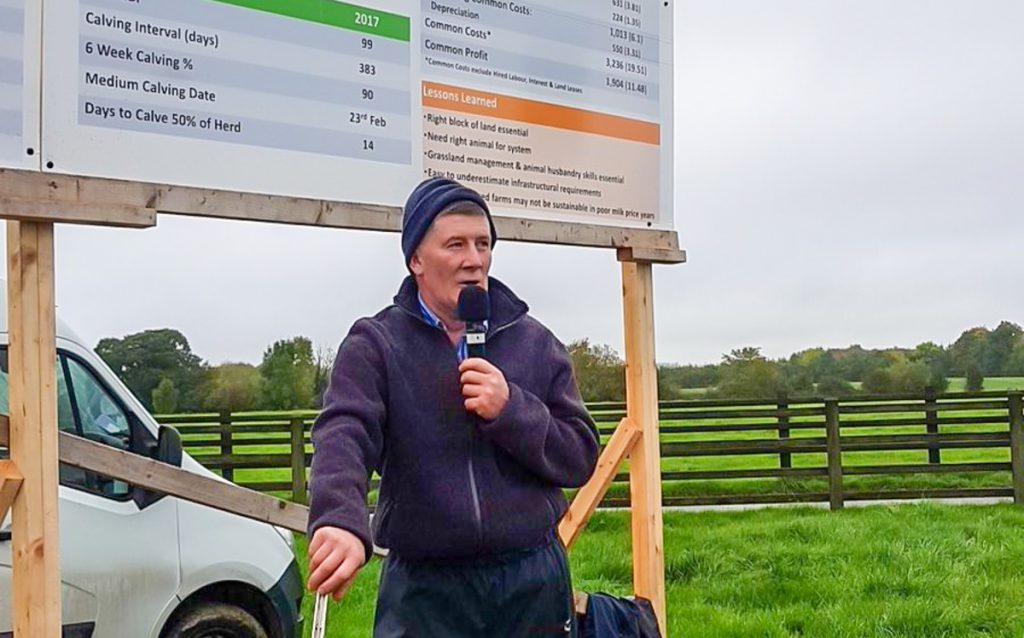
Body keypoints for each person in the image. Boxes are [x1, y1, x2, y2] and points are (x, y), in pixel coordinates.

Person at [306, 177, 601, 636]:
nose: (474, 260)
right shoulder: (376, 345)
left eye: (483, 244)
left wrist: (512, 409)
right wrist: (340, 519)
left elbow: (580, 454)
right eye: (456, 244)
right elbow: (345, 432)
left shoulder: (534, 342)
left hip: (530, 581)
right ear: (416, 260)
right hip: (426, 590)